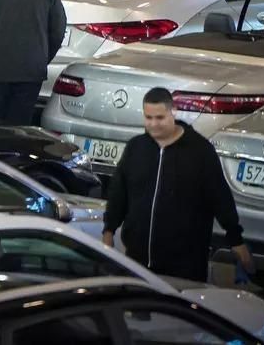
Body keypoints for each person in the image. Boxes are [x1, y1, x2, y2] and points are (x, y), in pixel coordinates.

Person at [102, 87, 252, 282]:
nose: (153, 124)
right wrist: (108, 230)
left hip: (185, 264)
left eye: (159, 118)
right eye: (148, 118)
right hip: (137, 261)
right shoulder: (136, 148)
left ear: (174, 111)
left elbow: (219, 197)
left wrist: (236, 239)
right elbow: (118, 193)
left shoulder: (199, 151)